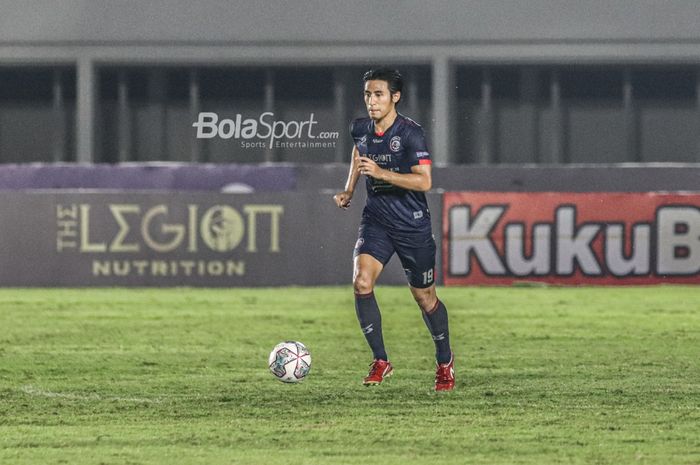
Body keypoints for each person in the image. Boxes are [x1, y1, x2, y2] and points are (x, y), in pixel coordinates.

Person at [333, 68, 454, 391]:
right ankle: (381, 360)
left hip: (412, 224)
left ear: (395, 97)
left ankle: (445, 363)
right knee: (361, 282)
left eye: (378, 95)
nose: (371, 102)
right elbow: (360, 152)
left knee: (425, 298)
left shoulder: (411, 133)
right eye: (368, 95)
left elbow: (425, 181)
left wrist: (382, 174)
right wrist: (349, 189)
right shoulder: (360, 129)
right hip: (376, 220)